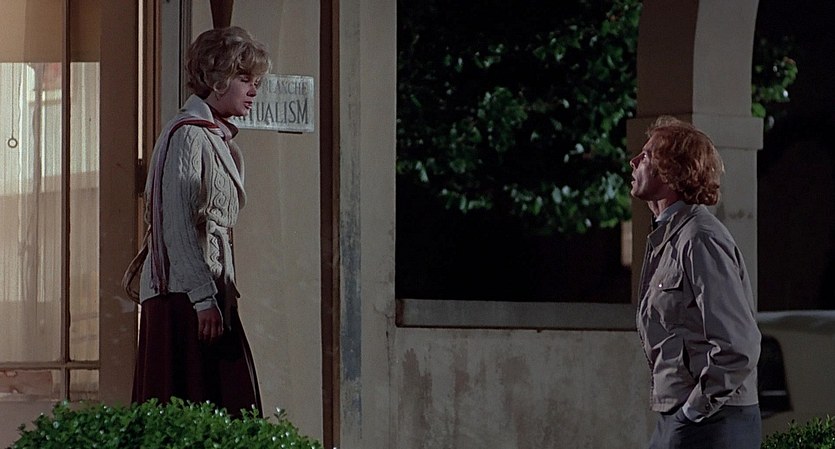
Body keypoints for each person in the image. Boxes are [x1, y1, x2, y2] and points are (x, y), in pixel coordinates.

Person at [131, 26, 271, 418]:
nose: (253, 91)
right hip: (184, 297)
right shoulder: (188, 136)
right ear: (217, 79)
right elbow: (175, 225)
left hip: (209, 290)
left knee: (228, 406)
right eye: (244, 79)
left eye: (256, 81)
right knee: (197, 405)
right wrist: (202, 298)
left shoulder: (216, 137)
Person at [630, 116, 761, 449]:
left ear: (670, 171)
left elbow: (738, 346)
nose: (634, 161)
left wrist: (691, 411)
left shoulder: (699, 238)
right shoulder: (670, 237)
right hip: (687, 416)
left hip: (712, 421)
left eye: (646, 155)